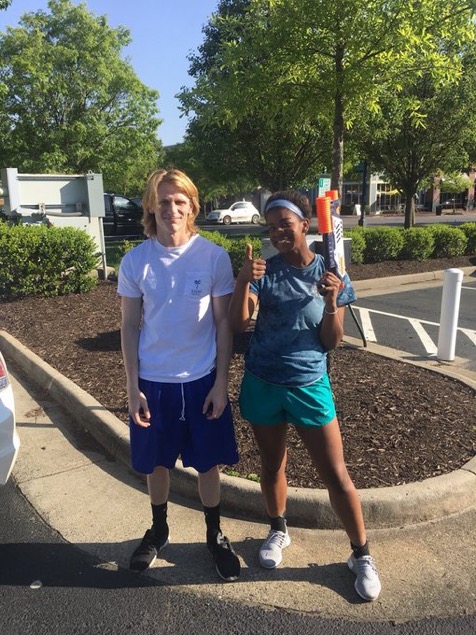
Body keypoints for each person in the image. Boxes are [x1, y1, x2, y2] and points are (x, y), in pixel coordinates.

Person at [228, 190, 381, 601]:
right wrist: (244, 278)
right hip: (262, 382)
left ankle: (360, 554)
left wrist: (332, 301)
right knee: (272, 465)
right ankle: (278, 530)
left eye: (285, 223)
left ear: (306, 226)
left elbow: (331, 342)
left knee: (335, 474)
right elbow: (240, 323)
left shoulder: (332, 274)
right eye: (271, 224)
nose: (277, 231)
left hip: (309, 386)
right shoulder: (265, 270)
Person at [117, 168, 241, 582]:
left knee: (208, 466)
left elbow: (225, 324)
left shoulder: (212, 257)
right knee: (155, 466)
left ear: (192, 207)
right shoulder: (136, 261)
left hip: (203, 380)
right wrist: (133, 389)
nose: (172, 208)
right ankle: (159, 529)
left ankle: (214, 533)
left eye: (180, 202)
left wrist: (222, 383)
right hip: (154, 383)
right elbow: (130, 326)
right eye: (164, 201)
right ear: (152, 206)